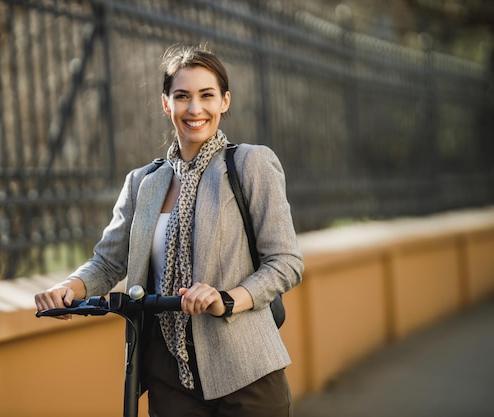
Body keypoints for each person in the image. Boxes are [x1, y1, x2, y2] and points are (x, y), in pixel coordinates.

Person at [35, 44, 304, 417]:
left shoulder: (250, 164)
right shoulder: (142, 183)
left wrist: (227, 298)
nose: (195, 109)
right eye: (182, 97)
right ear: (166, 104)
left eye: (206, 95)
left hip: (244, 371)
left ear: (225, 101)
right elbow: (109, 262)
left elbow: (285, 262)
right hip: (167, 374)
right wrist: (68, 288)